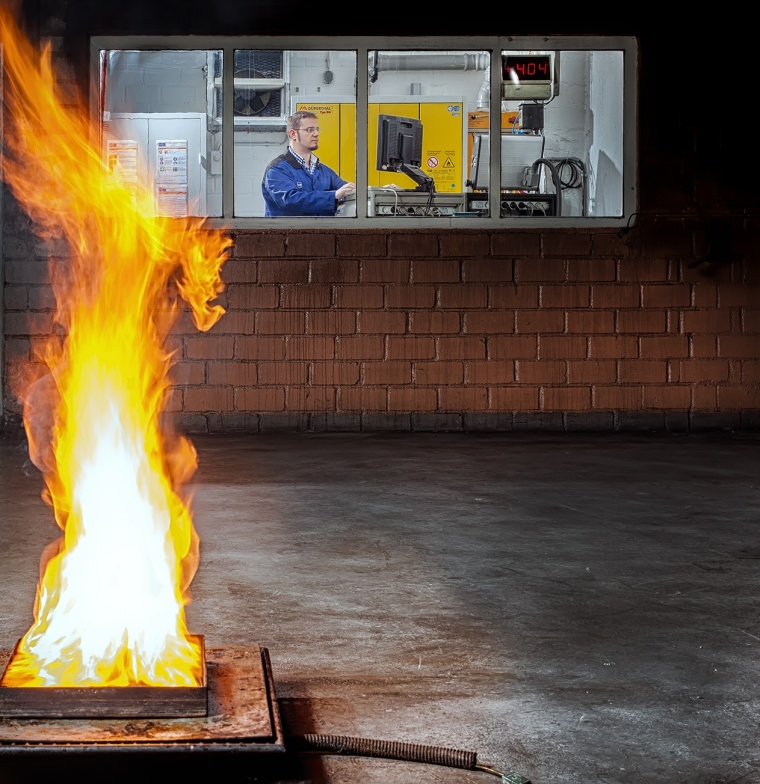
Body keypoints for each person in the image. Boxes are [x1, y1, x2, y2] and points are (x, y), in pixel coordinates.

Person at [261, 111, 356, 217]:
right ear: (293, 134)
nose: (316, 134)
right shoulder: (277, 170)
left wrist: (354, 191)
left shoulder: (325, 172)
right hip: (289, 232)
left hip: (322, 232)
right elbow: (289, 201)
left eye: (317, 129)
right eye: (310, 130)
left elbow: (345, 192)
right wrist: (333, 195)